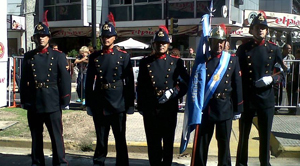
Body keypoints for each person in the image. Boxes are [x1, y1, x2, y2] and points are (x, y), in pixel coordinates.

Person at [235, 12, 285, 166]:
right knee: (244, 135)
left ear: (267, 31)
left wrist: (272, 78)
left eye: (263, 28)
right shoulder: (243, 49)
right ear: (252, 30)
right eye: (257, 28)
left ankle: (265, 163)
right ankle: (241, 163)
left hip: (266, 98)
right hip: (248, 97)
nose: (260, 30)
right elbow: (236, 74)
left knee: (265, 136)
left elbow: (283, 72)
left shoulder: (274, 49)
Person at [137, 26, 189, 166]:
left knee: (168, 143)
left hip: (168, 108)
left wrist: (174, 91)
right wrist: (141, 106)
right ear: (153, 44)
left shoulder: (176, 62)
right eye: (158, 43)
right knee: (153, 143)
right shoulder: (145, 62)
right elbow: (140, 86)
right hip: (151, 109)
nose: (161, 46)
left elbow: (186, 83)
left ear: (168, 44)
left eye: (164, 43)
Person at [20, 22, 71, 166]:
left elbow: (65, 79)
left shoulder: (58, 56)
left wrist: (65, 100)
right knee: (36, 137)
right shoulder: (29, 56)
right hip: (35, 101)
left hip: (52, 101)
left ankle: (60, 162)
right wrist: (24, 100)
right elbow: (24, 80)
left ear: (48, 37)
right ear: (35, 38)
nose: (41, 38)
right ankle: (37, 162)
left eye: (43, 36)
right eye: (38, 36)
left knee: (56, 136)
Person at [192, 25, 243, 166]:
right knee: (202, 144)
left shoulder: (232, 60)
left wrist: (239, 108)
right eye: (215, 41)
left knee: (224, 145)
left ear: (225, 42)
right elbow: (195, 84)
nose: (219, 44)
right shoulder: (203, 59)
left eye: (221, 41)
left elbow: (237, 84)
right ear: (210, 42)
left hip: (224, 108)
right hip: (206, 108)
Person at [85, 21, 134, 166]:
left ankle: (122, 163)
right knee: (101, 138)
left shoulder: (123, 56)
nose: (106, 39)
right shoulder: (95, 57)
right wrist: (89, 103)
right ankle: (99, 162)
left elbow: (129, 83)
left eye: (109, 36)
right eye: (104, 36)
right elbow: (89, 82)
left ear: (114, 38)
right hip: (100, 101)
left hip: (118, 102)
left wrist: (130, 104)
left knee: (120, 138)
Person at [286, 49, 300, 115]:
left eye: (297, 53)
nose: (296, 54)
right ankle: (291, 108)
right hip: (293, 81)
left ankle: (294, 109)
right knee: (291, 94)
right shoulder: (295, 61)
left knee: (296, 96)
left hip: (298, 82)